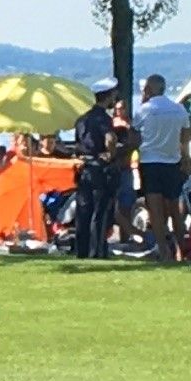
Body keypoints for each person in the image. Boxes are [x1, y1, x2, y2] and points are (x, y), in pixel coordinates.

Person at [130, 74, 191, 259]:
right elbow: (185, 137)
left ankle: (164, 250)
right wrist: (186, 159)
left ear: (149, 90)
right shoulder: (178, 109)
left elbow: (134, 137)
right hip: (172, 162)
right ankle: (182, 250)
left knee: (156, 210)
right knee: (175, 209)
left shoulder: (145, 110)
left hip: (150, 162)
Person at [67, 89, 126, 258]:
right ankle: (97, 250)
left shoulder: (82, 119)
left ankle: (82, 250)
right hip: (99, 168)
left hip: (84, 168)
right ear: (108, 97)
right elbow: (111, 139)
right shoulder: (103, 119)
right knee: (99, 212)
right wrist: (111, 153)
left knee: (83, 211)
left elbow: (78, 144)